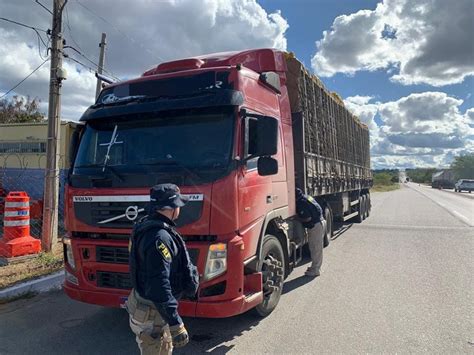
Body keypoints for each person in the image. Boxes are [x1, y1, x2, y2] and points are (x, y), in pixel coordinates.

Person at [126, 183, 199, 355]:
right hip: (152, 317)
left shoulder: (146, 227)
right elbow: (159, 285)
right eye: (178, 205)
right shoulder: (160, 238)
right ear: (170, 208)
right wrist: (175, 322)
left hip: (146, 309)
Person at [296, 188, 326, 278]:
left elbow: (308, 218)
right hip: (320, 221)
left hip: (315, 225)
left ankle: (316, 270)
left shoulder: (301, 202)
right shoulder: (307, 197)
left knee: (316, 248)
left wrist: (298, 219)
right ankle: (314, 267)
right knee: (315, 247)